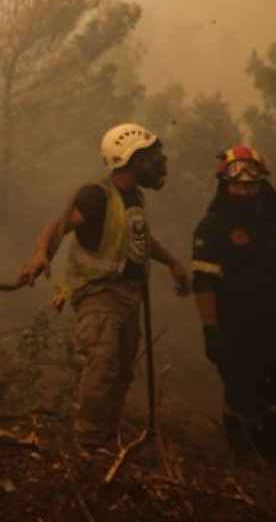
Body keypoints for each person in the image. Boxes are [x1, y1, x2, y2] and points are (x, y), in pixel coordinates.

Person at [19, 123, 191, 452]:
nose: (158, 162)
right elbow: (58, 227)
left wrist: (171, 262)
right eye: (149, 155)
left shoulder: (134, 197)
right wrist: (39, 254)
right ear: (128, 158)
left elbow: (136, 235)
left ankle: (105, 444)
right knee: (103, 363)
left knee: (120, 373)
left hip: (128, 297)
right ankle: (88, 444)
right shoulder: (97, 195)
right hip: (99, 295)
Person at [191, 144, 276, 465]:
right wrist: (211, 330)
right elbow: (204, 284)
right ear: (225, 186)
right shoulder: (211, 228)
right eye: (236, 185)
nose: (243, 191)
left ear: (262, 184)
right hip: (236, 332)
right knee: (244, 397)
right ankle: (244, 464)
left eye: (250, 185)